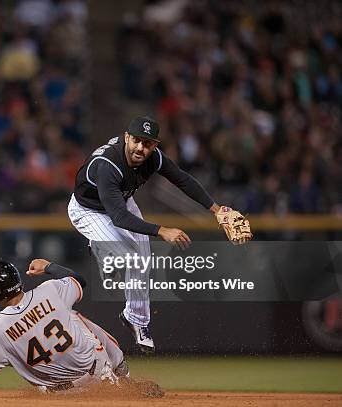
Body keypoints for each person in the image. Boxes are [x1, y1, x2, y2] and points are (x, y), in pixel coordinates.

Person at [68, 116, 228, 353]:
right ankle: (101, 248)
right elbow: (119, 218)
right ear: (126, 138)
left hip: (120, 201)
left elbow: (181, 179)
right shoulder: (107, 166)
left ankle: (135, 318)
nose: (141, 148)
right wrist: (161, 230)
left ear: (155, 145)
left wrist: (216, 209)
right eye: (137, 141)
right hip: (89, 210)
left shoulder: (154, 158)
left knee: (142, 261)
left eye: (148, 143)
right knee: (128, 256)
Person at [0, 259, 131, 396]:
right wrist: (49, 266)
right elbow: (79, 280)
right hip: (97, 370)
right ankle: (125, 377)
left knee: (17, 355)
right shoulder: (50, 290)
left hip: (60, 396)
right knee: (73, 316)